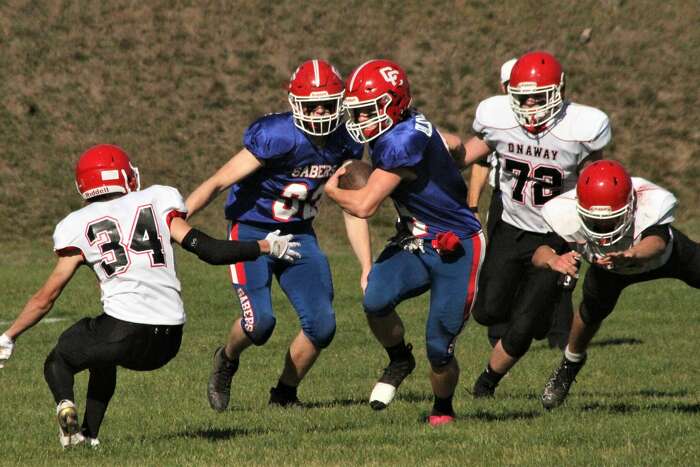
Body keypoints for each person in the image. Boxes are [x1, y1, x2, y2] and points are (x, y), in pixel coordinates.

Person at [0, 144, 299, 448]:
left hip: (123, 331)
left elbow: (45, 298)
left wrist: (9, 336)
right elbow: (209, 250)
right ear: (124, 176)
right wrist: (264, 246)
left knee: (59, 359)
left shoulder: (77, 225)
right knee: (101, 357)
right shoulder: (157, 201)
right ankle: (88, 436)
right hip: (169, 338)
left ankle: (65, 408)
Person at [185, 59, 371, 411]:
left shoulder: (347, 142)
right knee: (260, 324)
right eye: (311, 104)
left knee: (322, 325)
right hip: (251, 231)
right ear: (294, 103)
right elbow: (219, 180)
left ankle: (284, 395)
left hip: (298, 233)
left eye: (327, 103)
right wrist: (176, 217)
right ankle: (226, 359)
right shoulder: (277, 136)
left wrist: (365, 265)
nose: (319, 112)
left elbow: (353, 206)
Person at [325, 59, 484, 426]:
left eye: (368, 110)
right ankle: (399, 358)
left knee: (438, 347)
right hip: (415, 238)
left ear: (392, 104)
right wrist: (451, 161)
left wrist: (330, 190)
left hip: (456, 245)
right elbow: (456, 144)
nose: (361, 119)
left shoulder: (402, 139)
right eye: (358, 111)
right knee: (375, 298)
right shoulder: (407, 122)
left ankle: (443, 408)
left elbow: (364, 205)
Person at [457, 51, 612, 398]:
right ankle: (536, 312)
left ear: (558, 92)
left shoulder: (580, 129)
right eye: (522, 97)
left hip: (555, 232)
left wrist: (588, 241)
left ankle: (485, 386)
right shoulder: (499, 119)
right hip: (511, 227)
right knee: (488, 311)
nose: (529, 105)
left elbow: (592, 185)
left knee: (524, 326)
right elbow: (464, 156)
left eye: (537, 97)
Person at [533, 160, 700, 409]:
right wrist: (554, 260)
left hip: (666, 259)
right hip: (609, 268)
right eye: (595, 221)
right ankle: (570, 364)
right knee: (589, 313)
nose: (604, 228)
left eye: (612, 219)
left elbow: (658, 242)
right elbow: (539, 252)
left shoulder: (650, 202)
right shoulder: (564, 212)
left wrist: (632, 253)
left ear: (631, 205)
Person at [469, 57, 573, 350]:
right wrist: (472, 203)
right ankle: (504, 329)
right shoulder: (498, 120)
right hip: (507, 203)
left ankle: (552, 330)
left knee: (553, 273)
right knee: (497, 281)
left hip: (555, 212)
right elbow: (478, 160)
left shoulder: (563, 127)